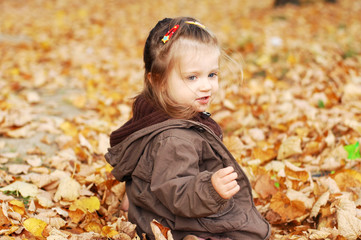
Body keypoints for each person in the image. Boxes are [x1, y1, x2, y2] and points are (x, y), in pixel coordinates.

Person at [105, 17, 271, 240]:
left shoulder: (157, 110)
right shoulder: (174, 139)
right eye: (192, 77)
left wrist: (135, 189)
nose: (206, 86)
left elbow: (147, 163)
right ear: (158, 81)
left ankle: (138, 201)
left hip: (168, 201)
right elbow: (177, 192)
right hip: (175, 217)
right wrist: (211, 189)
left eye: (212, 74)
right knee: (248, 234)